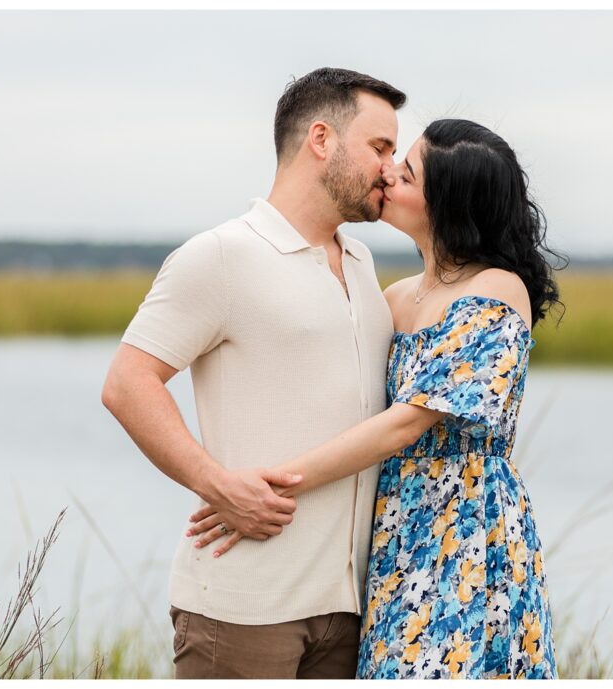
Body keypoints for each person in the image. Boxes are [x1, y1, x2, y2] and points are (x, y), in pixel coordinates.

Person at [188, 118, 565, 678]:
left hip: (462, 533)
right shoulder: (394, 295)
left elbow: (402, 425)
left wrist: (269, 487)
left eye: (407, 172)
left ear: (446, 204)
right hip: (392, 532)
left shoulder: (495, 289)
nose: (387, 172)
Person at [101, 67, 407, 679]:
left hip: (352, 611)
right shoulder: (221, 255)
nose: (390, 168)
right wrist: (215, 483)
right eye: (379, 147)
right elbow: (127, 382)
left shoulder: (362, 260)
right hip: (243, 608)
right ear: (321, 139)